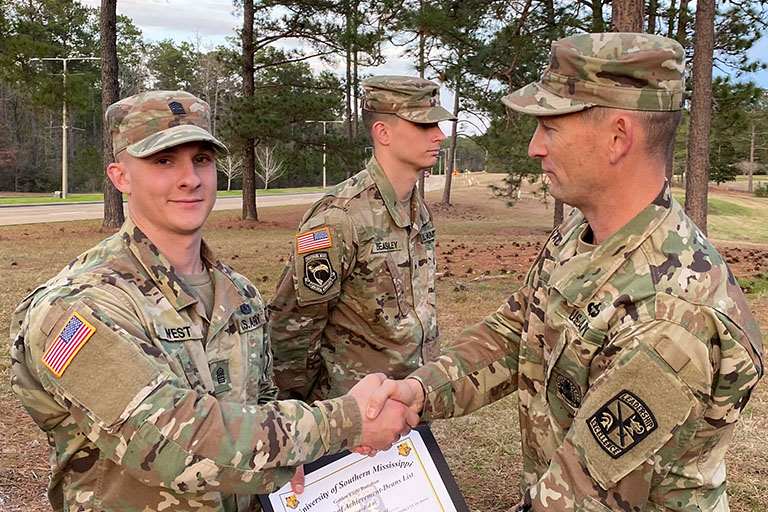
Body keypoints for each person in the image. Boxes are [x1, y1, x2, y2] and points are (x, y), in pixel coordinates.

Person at [364, 33, 764, 511]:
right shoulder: (582, 232)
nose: (534, 148)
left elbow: (579, 494)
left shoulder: (672, 317)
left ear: (618, 137)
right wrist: (416, 391)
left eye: (549, 128)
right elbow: (514, 333)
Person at [9, 90, 417, 512]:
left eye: (201, 159)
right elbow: (169, 444)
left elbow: (261, 404)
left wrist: (291, 460)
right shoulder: (76, 308)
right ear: (120, 177)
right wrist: (345, 422)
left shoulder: (239, 294)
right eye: (163, 161)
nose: (191, 178)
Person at [267, 76, 455, 401]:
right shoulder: (340, 217)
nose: (439, 135)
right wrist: (308, 414)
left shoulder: (417, 211)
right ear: (383, 133)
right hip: (353, 413)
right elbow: (294, 328)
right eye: (424, 126)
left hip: (409, 398)